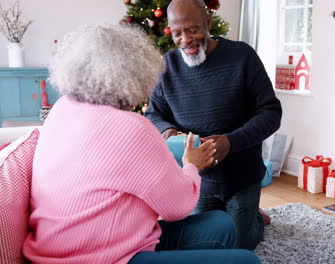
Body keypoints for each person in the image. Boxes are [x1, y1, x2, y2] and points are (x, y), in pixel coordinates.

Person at [22, 24, 261, 264]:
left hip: (77, 245)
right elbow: (176, 208)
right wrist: (191, 165)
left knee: (221, 224)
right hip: (99, 258)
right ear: (135, 74)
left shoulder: (61, 109)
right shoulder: (132, 127)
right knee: (248, 260)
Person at [145, 0, 282, 250]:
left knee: (238, 246)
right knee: (204, 246)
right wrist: (169, 131)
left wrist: (231, 141)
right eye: (177, 33)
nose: (185, 40)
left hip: (242, 176)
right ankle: (245, 215)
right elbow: (154, 115)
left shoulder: (243, 56)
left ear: (208, 23)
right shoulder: (167, 67)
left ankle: (254, 220)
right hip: (197, 179)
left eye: (193, 30)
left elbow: (271, 113)